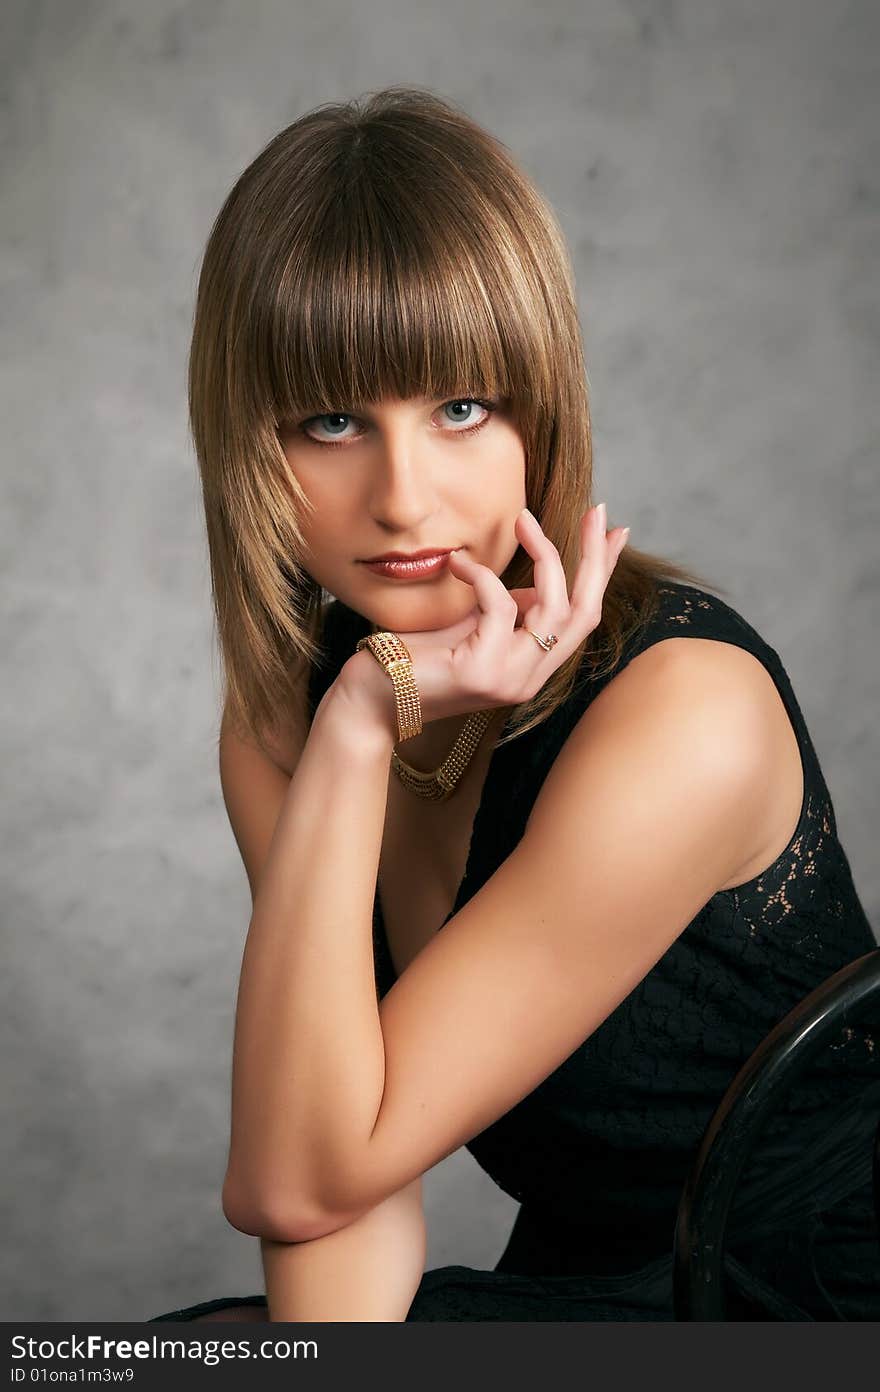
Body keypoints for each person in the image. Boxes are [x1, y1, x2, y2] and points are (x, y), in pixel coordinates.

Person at [148, 86, 879, 1323]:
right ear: (247, 443)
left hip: (802, 1298)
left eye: (462, 407)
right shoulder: (295, 722)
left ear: (543, 411)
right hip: (590, 1293)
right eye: (331, 420)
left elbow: (295, 1177)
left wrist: (360, 722)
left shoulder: (682, 713)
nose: (405, 499)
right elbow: (328, 1181)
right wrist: (355, 729)